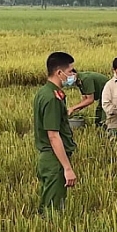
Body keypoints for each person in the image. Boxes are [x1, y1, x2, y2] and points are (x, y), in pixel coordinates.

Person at [34, 52, 78, 213]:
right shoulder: (52, 98)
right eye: (71, 71)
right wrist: (67, 168)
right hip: (54, 159)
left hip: (50, 158)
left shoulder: (45, 92)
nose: (73, 75)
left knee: (49, 203)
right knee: (53, 209)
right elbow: (53, 136)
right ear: (59, 73)